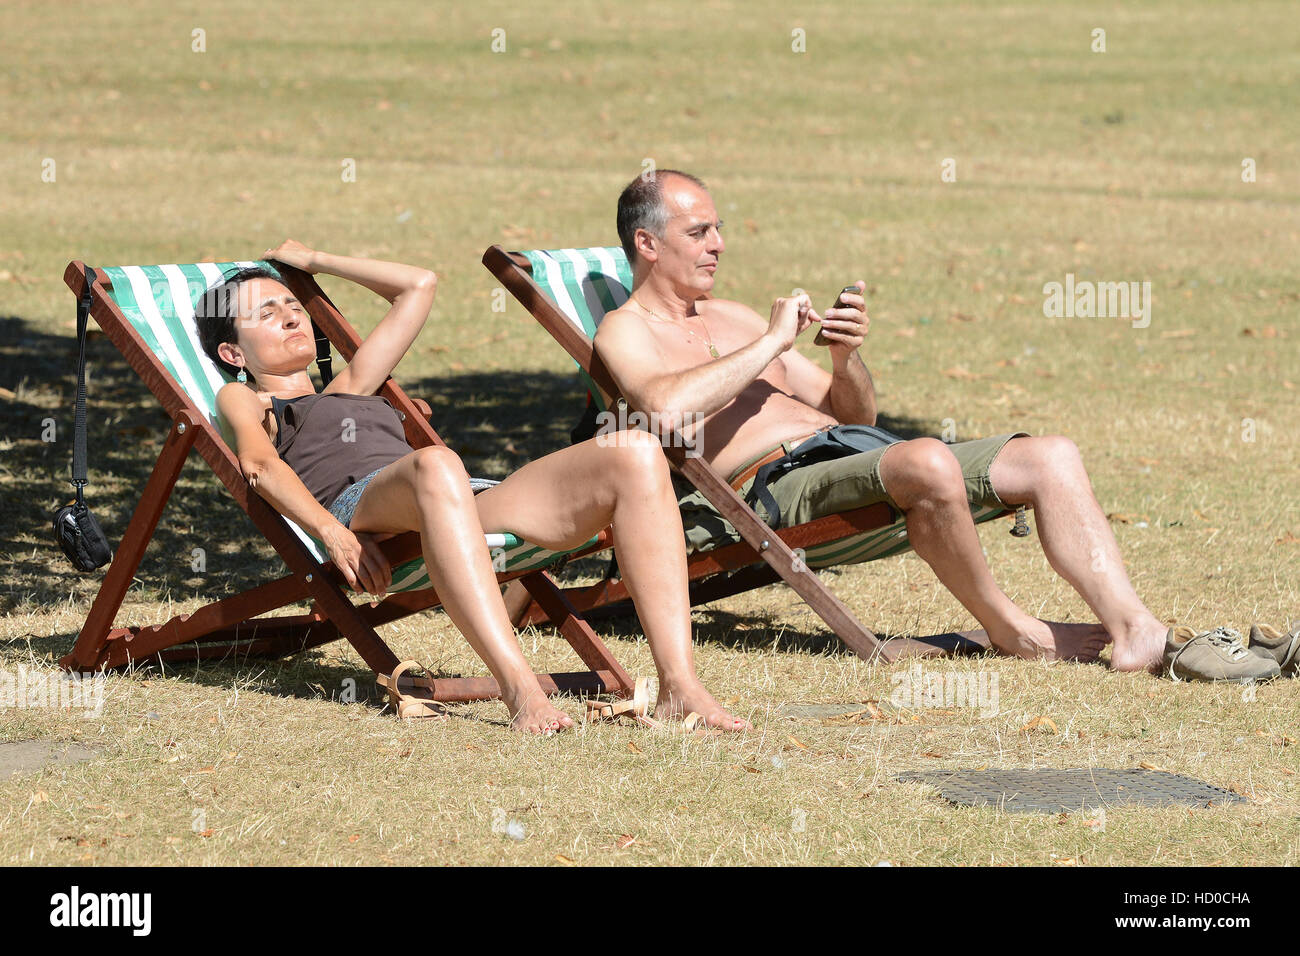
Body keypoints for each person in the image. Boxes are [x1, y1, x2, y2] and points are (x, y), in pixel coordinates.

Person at [592, 170, 1265, 680]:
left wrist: (844, 356)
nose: (720, 244)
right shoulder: (625, 331)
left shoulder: (732, 318)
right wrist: (769, 347)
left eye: (717, 228)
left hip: (845, 453)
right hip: (765, 491)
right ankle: (1014, 631)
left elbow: (853, 415)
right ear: (647, 243)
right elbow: (663, 410)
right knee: (928, 462)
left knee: (1050, 455)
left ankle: (1136, 629)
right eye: (699, 232)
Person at [197, 240, 751, 734]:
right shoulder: (247, 400)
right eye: (268, 314)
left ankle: (681, 686)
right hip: (361, 509)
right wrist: (330, 533)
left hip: (453, 498)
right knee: (436, 463)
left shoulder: (353, 385)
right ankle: (519, 688)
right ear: (234, 354)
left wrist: (314, 261)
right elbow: (259, 467)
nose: (293, 318)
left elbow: (418, 285)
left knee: (634, 450)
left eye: (294, 305)